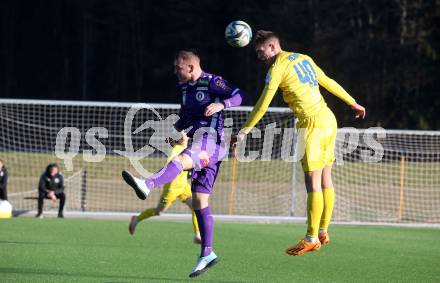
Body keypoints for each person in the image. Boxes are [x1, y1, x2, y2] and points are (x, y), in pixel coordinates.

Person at [233, 31, 366, 256]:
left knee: (312, 183)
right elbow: (328, 81)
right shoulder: (303, 57)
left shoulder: (277, 69)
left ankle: (311, 237)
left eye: (261, 51)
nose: (260, 56)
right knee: (326, 178)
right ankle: (323, 230)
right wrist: (353, 102)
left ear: (273, 47)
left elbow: (263, 103)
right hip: (328, 118)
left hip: (311, 124)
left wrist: (244, 130)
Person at [122, 49, 244, 277]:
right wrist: (175, 131)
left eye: (178, 68)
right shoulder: (184, 89)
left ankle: (147, 185)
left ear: (190, 67)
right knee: (199, 202)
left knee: (180, 159)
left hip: (212, 141)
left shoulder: (211, 82)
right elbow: (186, 116)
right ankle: (207, 253)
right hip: (200, 140)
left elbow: (239, 94)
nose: (175, 71)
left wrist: (223, 105)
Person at [128, 143, 202, 244]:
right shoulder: (176, 149)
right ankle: (136, 219)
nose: (187, 136)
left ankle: (198, 234)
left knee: (196, 207)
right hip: (172, 189)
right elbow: (169, 165)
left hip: (184, 186)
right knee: (159, 211)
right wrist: (157, 178)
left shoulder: (187, 148)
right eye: (184, 134)